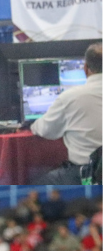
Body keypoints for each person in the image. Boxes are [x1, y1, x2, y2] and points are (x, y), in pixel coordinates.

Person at [30, 43, 101, 184]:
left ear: (85, 68)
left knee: (34, 181)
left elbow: (46, 130)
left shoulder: (70, 97)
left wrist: (33, 125)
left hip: (85, 174)